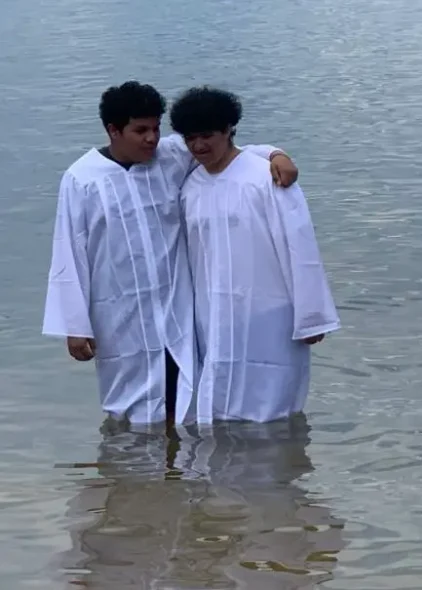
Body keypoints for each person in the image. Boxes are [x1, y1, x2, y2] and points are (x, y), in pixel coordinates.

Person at [42, 80, 299, 430]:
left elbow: (228, 149)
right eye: (141, 130)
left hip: (177, 305)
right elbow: (69, 252)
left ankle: (180, 476)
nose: (152, 138)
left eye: (156, 128)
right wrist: (74, 325)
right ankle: (135, 477)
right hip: (119, 310)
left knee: (184, 395)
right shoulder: (82, 179)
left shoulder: (171, 157)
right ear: (113, 130)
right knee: (128, 408)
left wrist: (275, 154)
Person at [171, 86, 340, 425]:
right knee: (219, 403)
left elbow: (300, 247)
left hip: (269, 312)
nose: (199, 147)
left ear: (228, 130)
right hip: (213, 311)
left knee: (271, 409)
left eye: (207, 136)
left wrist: (311, 316)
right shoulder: (191, 187)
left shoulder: (266, 178)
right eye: (191, 139)